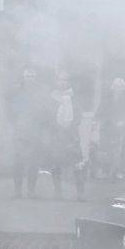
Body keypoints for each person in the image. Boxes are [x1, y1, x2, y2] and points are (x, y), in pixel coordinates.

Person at [10, 67, 51, 198]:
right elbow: (11, 111)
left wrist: (41, 124)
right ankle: (17, 190)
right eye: (27, 76)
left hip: (35, 132)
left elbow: (46, 111)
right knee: (18, 162)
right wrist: (16, 122)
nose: (30, 78)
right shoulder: (17, 92)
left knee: (33, 163)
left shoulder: (41, 93)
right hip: (20, 132)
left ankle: (31, 190)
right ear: (24, 77)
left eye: (32, 76)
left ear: (35, 78)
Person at [49, 70, 85, 199]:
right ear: (56, 82)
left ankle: (80, 193)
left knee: (77, 163)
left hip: (71, 135)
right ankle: (58, 192)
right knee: (56, 164)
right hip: (56, 135)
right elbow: (47, 116)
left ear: (69, 82)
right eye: (60, 79)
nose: (62, 82)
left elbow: (78, 116)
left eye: (65, 80)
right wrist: (55, 128)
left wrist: (69, 127)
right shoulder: (51, 97)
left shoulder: (74, 97)